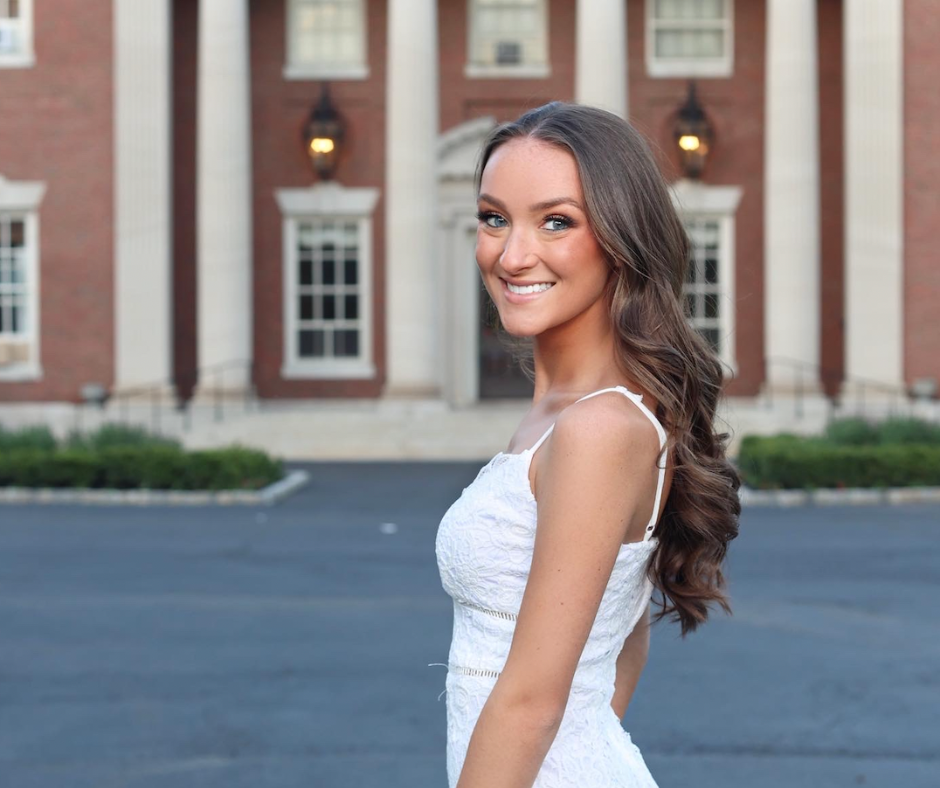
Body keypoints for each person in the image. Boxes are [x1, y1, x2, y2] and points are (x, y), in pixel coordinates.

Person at [432, 101, 742, 788]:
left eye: (556, 221)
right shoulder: (568, 414)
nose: (511, 255)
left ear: (622, 237)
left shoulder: (598, 427)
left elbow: (533, 700)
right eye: (493, 218)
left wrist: (573, 747)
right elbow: (624, 633)